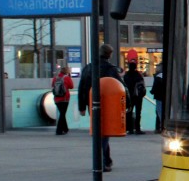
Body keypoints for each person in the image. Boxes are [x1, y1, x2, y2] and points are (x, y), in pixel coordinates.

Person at [78, 43, 124, 171]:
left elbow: (82, 87)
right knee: (104, 133)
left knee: (99, 131)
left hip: (91, 103)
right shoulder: (110, 69)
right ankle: (102, 160)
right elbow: (120, 86)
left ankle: (106, 159)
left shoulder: (88, 68)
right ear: (110, 55)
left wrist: (82, 106)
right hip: (107, 103)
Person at [123, 61, 146, 134]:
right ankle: (137, 128)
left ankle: (130, 128)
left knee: (129, 112)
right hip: (138, 96)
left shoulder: (126, 76)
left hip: (129, 96)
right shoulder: (138, 75)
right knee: (138, 112)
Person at [51, 65, 74, 135]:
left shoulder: (55, 78)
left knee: (62, 113)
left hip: (56, 98)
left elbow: (52, 86)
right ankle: (59, 130)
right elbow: (71, 86)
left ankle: (65, 129)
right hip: (64, 98)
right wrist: (70, 77)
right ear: (66, 71)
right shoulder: (66, 78)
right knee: (62, 114)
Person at [151, 63, 165, 133]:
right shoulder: (164, 76)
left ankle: (159, 127)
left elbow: (155, 87)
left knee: (159, 111)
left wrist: (152, 91)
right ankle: (161, 127)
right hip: (163, 97)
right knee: (161, 112)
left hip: (158, 97)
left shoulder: (158, 77)